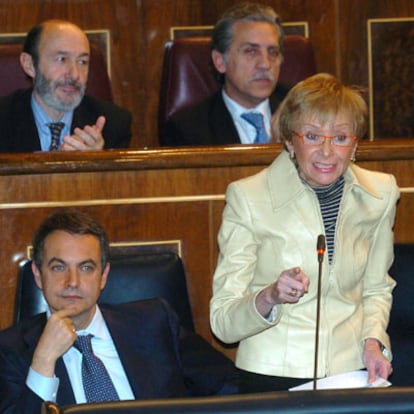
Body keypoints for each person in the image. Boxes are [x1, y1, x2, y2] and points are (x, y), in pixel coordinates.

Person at [210, 73, 400, 392]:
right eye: (312, 136)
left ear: (355, 145)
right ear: (289, 141)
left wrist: (374, 341)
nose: (326, 152)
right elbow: (222, 323)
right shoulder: (249, 198)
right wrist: (270, 296)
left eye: (340, 138)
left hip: (351, 371)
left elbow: (376, 289)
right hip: (271, 376)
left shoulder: (379, 194)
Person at [0, 210, 237, 413]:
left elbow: (232, 388)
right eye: (59, 267)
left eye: (86, 267)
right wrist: (43, 360)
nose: (72, 281)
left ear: (103, 276)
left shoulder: (155, 323)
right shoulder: (11, 351)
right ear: (38, 275)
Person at [161, 2, 289, 146]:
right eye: (250, 51)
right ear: (220, 61)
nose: (265, 64)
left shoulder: (302, 112)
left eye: (273, 52)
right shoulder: (188, 129)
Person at [0, 20, 131, 152]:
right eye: (62, 59)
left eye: (82, 62)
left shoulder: (113, 124)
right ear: (29, 65)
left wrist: (97, 164)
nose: (74, 74)